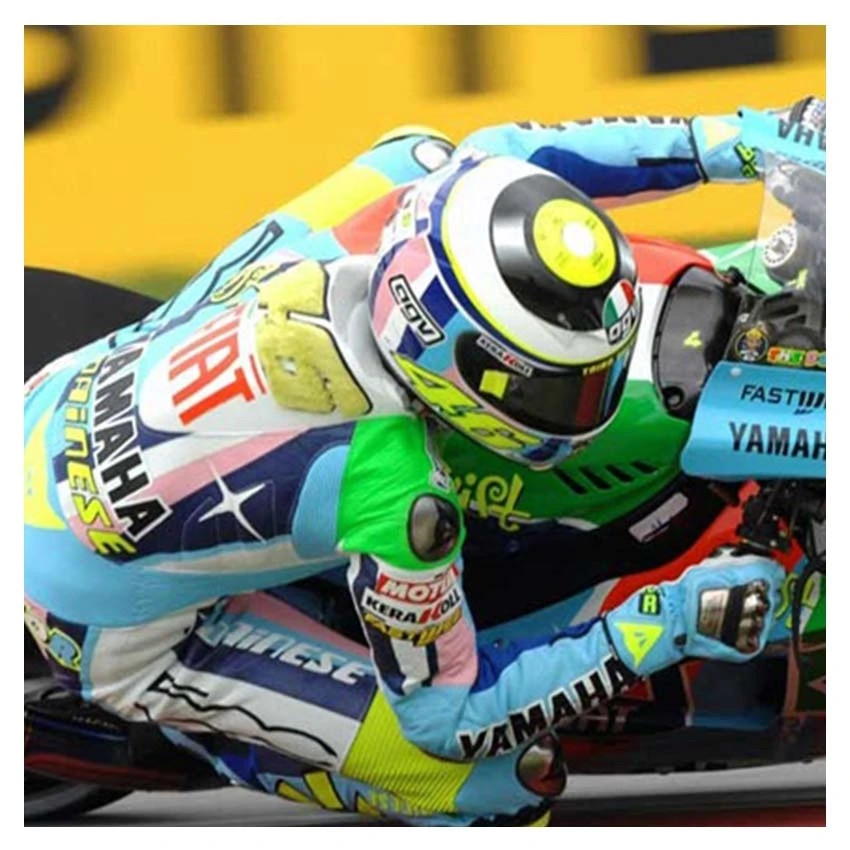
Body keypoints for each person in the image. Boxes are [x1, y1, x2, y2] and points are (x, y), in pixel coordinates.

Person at [26, 99, 818, 825]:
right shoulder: (396, 493)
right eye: (564, 388)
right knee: (499, 789)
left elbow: (510, 152)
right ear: (456, 366)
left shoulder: (404, 182)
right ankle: (202, 730)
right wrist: (669, 619)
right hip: (110, 620)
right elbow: (450, 719)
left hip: (49, 405)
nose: (592, 401)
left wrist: (734, 141)